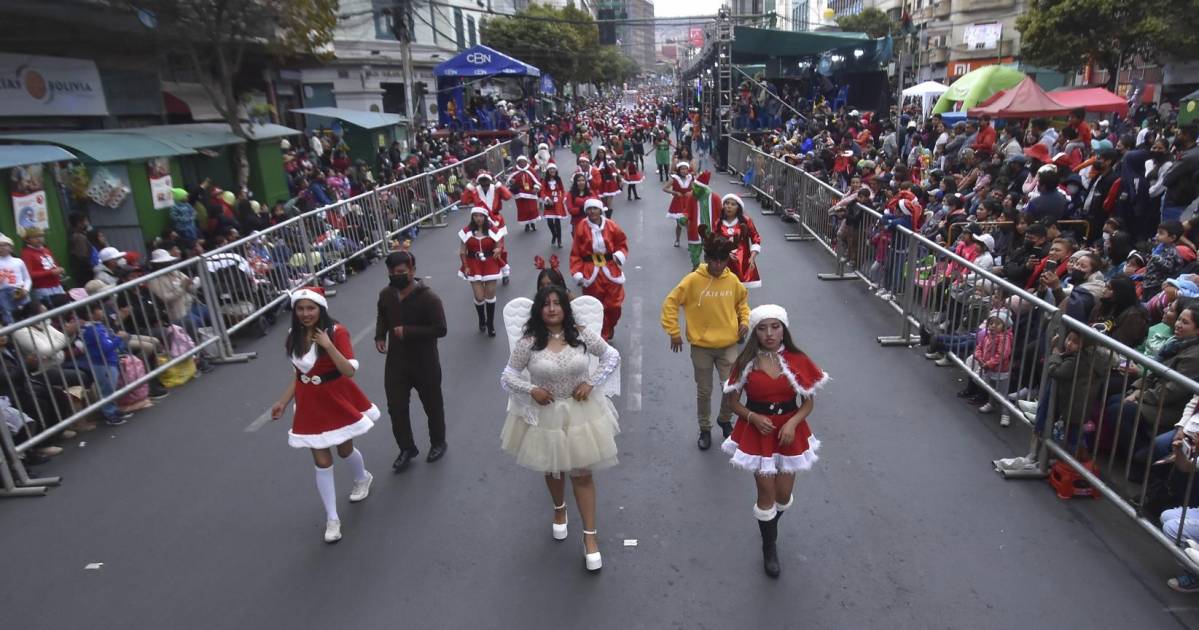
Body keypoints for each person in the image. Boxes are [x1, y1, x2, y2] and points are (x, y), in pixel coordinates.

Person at [500, 285, 621, 572]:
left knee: (582, 474)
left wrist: (591, 382)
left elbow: (611, 356)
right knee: (553, 469)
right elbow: (507, 376)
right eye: (546, 303)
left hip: (582, 414)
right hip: (547, 416)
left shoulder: (579, 335)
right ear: (538, 309)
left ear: (565, 309)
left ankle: (590, 538)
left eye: (557, 303)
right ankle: (559, 508)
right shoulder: (528, 343)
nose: (552, 308)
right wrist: (532, 389)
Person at [722, 304, 828, 578]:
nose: (769, 333)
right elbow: (733, 402)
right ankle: (769, 547)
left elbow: (808, 403)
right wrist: (752, 417)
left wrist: (793, 423)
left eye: (775, 327)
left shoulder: (797, 359)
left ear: (784, 330)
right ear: (755, 332)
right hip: (759, 434)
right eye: (762, 328)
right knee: (766, 494)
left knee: (782, 496)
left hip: (790, 434)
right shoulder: (745, 363)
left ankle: (770, 524)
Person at [270, 286, 378, 543]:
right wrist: (282, 402)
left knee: (344, 450)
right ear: (294, 311)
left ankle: (362, 477)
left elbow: (349, 371)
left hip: (336, 397)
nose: (306, 313)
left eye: (311, 308)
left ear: (321, 309)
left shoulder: (337, 332)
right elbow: (299, 375)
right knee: (322, 461)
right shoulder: (292, 336)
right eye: (300, 308)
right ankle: (332, 519)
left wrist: (328, 346)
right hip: (309, 403)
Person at [661, 227, 750, 450]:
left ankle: (724, 419)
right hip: (701, 347)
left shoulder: (733, 281)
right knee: (704, 391)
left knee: (732, 387)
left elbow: (742, 303)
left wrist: (744, 322)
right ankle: (705, 428)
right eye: (714, 261)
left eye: (722, 261)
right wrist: (674, 332)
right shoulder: (692, 280)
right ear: (707, 259)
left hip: (728, 345)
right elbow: (671, 303)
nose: (719, 266)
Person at [375, 251, 448, 472]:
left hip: (424, 362)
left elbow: (440, 329)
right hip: (396, 363)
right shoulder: (386, 294)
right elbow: (382, 315)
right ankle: (407, 448)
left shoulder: (429, 298)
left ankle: (438, 442)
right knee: (396, 407)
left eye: (400, 272)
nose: (395, 276)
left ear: (412, 270)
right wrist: (379, 335)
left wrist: (407, 332)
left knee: (432, 405)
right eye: (391, 272)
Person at [569, 198, 628, 341]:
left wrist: (619, 255)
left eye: (594, 208)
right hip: (591, 273)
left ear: (600, 210)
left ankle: (610, 326)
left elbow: (622, 243)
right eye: (589, 209)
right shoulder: (581, 227)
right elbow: (576, 252)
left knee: (614, 306)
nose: (592, 211)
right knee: (595, 307)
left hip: (610, 270)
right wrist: (578, 273)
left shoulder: (612, 226)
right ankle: (603, 336)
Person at [458, 207, 505, 337]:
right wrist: (465, 266)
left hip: (490, 263)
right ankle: (481, 319)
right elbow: (462, 251)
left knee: (490, 296)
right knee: (479, 297)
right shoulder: (466, 232)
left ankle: (490, 324)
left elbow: (499, 243)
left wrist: (498, 249)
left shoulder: (491, 230)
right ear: (472, 217)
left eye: (481, 216)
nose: (478, 218)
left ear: (485, 217)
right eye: (476, 216)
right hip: (473, 265)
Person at [461, 171, 513, 285]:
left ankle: (505, 272)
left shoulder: (496, 188)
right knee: (482, 248)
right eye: (482, 183)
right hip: (479, 221)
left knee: (500, 248)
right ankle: (484, 271)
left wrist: (499, 184)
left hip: (496, 221)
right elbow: (464, 201)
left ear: (490, 181)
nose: (484, 185)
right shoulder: (475, 191)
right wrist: (469, 187)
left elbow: (508, 196)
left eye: (486, 182)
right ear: (479, 182)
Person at [715, 194, 764, 289]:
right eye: (727, 203)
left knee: (740, 291)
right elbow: (715, 242)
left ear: (738, 207)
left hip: (743, 262)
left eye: (733, 204)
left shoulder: (746, 221)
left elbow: (756, 238)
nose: (729, 206)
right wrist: (725, 253)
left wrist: (752, 257)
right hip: (724, 262)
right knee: (725, 291)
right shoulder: (718, 223)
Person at [19, 228, 65, 305]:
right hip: (43, 288)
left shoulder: (46, 250)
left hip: (57, 285)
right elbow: (30, 274)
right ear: (27, 240)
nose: (39, 239)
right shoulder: (26, 254)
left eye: (41, 236)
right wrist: (51, 273)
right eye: (35, 237)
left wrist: (59, 270)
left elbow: (54, 264)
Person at [0, 234, 32, 324]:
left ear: (11, 248)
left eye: (4, 245)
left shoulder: (18, 261)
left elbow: (27, 279)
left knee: (25, 307)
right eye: (0, 246)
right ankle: (12, 327)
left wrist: (26, 289)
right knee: (7, 311)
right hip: (2, 292)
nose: (2, 248)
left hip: (18, 289)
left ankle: (31, 323)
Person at [664, 162, 695, 248]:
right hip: (678, 203)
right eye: (682, 169)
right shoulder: (674, 179)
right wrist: (675, 192)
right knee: (679, 224)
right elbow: (664, 188)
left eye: (685, 169)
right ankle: (677, 240)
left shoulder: (690, 178)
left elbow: (694, 188)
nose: (684, 171)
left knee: (689, 224)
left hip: (689, 202)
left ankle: (690, 242)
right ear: (679, 170)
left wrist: (691, 192)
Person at [509, 155, 543, 232]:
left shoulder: (531, 170)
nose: (522, 163)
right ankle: (526, 225)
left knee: (532, 209)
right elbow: (510, 181)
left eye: (523, 162)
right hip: (520, 194)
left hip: (531, 193)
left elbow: (537, 181)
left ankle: (533, 224)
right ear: (517, 163)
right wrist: (512, 182)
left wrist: (536, 188)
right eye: (520, 162)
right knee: (523, 210)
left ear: (526, 162)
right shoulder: (515, 171)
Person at [540, 163, 568, 249]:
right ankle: (554, 235)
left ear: (556, 170)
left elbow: (563, 190)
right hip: (549, 202)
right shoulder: (545, 181)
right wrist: (547, 198)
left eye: (553, 169)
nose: (552, 171)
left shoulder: (558, 180)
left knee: (557, 222)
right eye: (550, 169)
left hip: (557, 203)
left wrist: (563, 198)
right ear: (548, 171)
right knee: (549, 222)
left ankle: (559, 240)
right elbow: (542, 192)